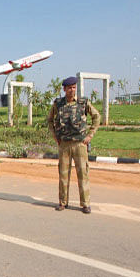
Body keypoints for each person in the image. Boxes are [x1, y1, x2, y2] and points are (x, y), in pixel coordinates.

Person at [47, 76, 100, 214]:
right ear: (64, 89)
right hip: (64, 144)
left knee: (83, 174)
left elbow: (96, 116)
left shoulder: (83, 102)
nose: (72, 90)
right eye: (69, 88)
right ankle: (63, 202)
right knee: (63, 175)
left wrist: (90, 135)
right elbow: (50, 120)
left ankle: (85, 204)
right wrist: (54, 136)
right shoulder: (58, 104)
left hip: (79, 144)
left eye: (74, 87)